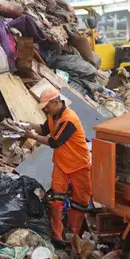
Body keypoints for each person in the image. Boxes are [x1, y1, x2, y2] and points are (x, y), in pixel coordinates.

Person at [24, 86, 91, 246]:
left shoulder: (69, 119)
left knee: (80, 201)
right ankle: (57, 236)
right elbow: (45, 129)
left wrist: (34, 137)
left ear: (56, 102)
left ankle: (73, 233)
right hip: (61, 163)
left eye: (47, 106)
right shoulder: (53, 116)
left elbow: (55, 142)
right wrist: (28, 125)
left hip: (79, 164)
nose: (46, 109)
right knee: (57, 199)